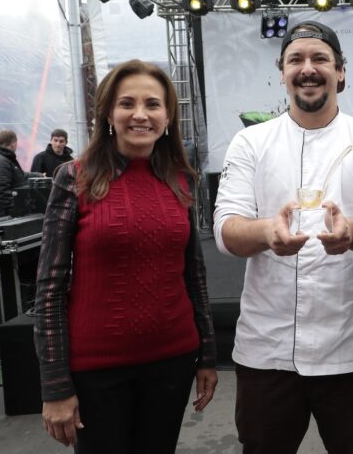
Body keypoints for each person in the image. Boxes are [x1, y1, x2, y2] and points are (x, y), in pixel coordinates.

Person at [213, 20, 353, 454]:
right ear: (281, 71)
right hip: (267, 350)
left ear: (341, 71)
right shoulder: (250, 143)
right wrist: (266, 232)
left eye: (320, 58)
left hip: (351, 347)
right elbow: (226, 230)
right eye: (296, 59)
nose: (308, 68)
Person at [34, 59, 218, 453]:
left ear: (168, 116)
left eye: (152, 104)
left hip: (173, 360)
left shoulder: (181, 179)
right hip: (96, 370)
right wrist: (54, 384)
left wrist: (207, 356)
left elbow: (194, 276)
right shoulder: (74, 177)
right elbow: (49, 286)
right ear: (107, 113)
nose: (140, 114)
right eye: (127, 103)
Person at [0, 130, 29, 219]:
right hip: (2, 217)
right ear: (13, 144)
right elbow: (1, 191)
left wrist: (39, 175)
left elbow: (19, 175)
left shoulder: (0, 158)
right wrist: (15, 211)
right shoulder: (1, 162)